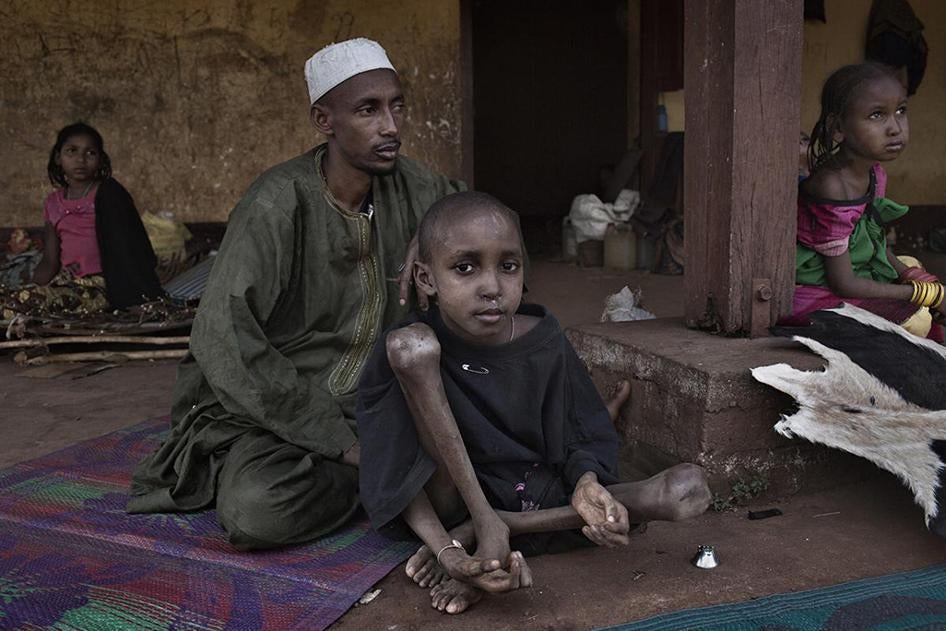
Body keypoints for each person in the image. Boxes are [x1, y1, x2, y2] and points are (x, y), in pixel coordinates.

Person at [128, 38, 464, 550]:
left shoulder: (417, 186)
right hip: (276, 410)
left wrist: (436, 229)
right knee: (257, 510)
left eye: (397, 106)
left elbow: (488, 223)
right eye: (368, 110)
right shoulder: (274, 205)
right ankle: (385, 479)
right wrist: (340, 442)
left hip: (377, 397)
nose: (391, 126)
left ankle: (387, 479)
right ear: (324, 121)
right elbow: (226, 340)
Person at [357, 191, 711, 615]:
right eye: (465, 268)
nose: (492, 287)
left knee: (687, 488)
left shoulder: (544, 341)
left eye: (508, 266)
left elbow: (581, 433)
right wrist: (448, 550)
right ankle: (483, 531)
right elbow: (396, 467)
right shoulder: (401, 349)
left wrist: (585, 484)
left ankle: (492, 529)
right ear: (425, 279)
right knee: (411, 350)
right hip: (448, 495)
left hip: (533, 493)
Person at [790, 62, 944, 341]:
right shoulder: (832, 185)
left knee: (913, 265)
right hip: (815, 289)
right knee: (917, 319)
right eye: (877, 115)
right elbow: (843, 282)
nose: (895, 127)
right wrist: (924, 294)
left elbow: (870, 241)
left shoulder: (874, 172)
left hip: (853, 269)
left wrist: (913, 277)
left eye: (901, 111)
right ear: (838, 128)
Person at [0, 123, 163, 319]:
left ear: (101, 160)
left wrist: (138, 294)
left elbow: (129, 246)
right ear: (58, 157)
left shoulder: (108, 195)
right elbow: (50, 260)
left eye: (90, 153)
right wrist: (31, 287)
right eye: (72, 151)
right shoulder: (53, 203)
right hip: (69, 284)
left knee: (25, 304)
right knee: (13, 301)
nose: (80, 159)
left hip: (104, 287)